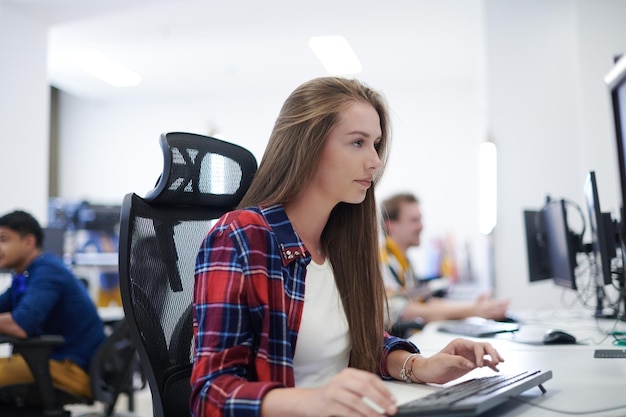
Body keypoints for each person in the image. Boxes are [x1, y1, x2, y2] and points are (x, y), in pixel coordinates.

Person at [191, 77, 504, 417]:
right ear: (307, 147)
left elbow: (362, 345)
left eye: (376, 144)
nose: (375, 161)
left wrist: (419, 366)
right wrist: (315, 401)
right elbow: (211, 394)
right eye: (357, 143)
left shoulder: (340, 241)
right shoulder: (240, 237)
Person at [0, 210, 105, 399]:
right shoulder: (24, 276)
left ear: (28, 242)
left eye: (4, 239)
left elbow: (21, 324)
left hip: (71, 369)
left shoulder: (47, 271)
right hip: (51, 363)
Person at [381, 193, 509, 329]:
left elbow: (424, 303)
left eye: (420, 220)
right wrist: (474, 311)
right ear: (390, 226)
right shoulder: (382, 263)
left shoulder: (403, 262)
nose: (421, 226)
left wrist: (475, 306)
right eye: (414, 220)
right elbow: (406, 312)